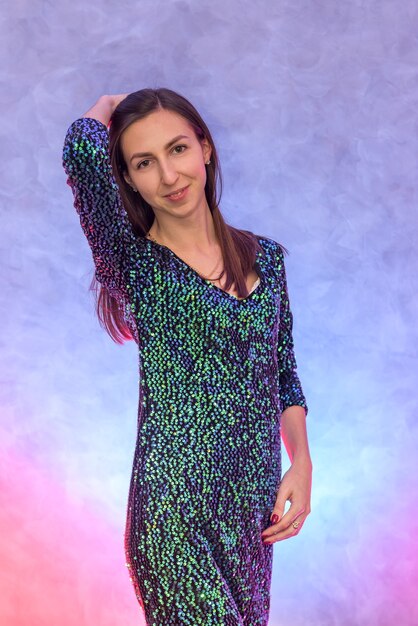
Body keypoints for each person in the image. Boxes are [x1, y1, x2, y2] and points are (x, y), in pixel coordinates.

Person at [62, 88, 312, 626]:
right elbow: (82, 153)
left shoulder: (265, 258)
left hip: (251, 510)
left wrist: (303, 463)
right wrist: (109, 103)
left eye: (177, 150)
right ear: (127, 179)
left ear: (206, 148)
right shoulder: (134, 265)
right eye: (144, 163)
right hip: (172, 512)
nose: (169, 177)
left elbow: (284, 376)